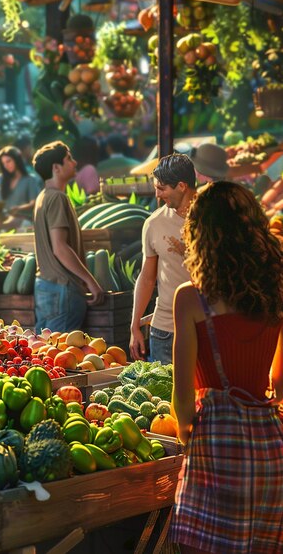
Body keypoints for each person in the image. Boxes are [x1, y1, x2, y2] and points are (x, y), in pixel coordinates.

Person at [170, 181, 283, 554]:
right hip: (270, 458)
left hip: (215, 455)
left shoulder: (189, 299)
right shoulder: (277, 292)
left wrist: (193, 441)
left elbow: (182, 403)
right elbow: (280, 386)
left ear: (199, 235)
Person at [129, 153, 197, 365]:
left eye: (162, 188)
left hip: (206, 328)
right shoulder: (153, 223)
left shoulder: (211, 217)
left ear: (182, 186)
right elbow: (147, 278)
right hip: (165, 332)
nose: (157, 195)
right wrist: (134, 326)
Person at [32, 141, 104, 333]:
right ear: (56, 167)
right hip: (63, 288)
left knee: (44, 350)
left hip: (45, 286)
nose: (75, 162)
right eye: (69, 158)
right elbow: (60, 248)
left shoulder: (43, 197)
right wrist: (90, 281)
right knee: (61, 354)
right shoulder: (57, 198)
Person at [0, 145, 39, 225]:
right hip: (3, 221)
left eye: (8, 161)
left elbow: (34, 203)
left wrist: (19, 208)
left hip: (23, 221)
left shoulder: (30, 179)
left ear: (17, 160)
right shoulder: (0, 179)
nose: (6, 165)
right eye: (3, 163)